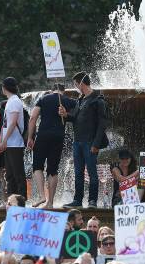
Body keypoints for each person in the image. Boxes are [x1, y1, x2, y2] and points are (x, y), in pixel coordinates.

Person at [60, 71, 108, 209]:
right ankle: (77, 199)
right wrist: (65, 114)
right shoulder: (80, 100)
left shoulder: (98, 100)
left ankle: (92, 200)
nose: (75, 87)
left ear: (81, 83)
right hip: (78, 142)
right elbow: (74, 117)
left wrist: (96, 144)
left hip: (90, 143)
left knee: (92, 172)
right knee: (78, 172)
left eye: (76, 84)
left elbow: (102, 124)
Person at [27, 83, 76, 208]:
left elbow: (33, 118)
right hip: (58, 137)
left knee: (37, 166)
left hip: (43, 135)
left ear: (51, 90)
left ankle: (42, 196)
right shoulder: (68, 101)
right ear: (63, 91)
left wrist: (30, 137)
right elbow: (77, 116)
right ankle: (50, 202)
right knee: (53, 170)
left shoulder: (43, 98)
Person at [0, 77, 27, 199]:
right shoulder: (10, 101)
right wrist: (1, 139)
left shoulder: (15, 101)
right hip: (9, 143)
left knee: (18, 174)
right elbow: (5, 124)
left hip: (15, 143)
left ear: (5, 87)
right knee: (9, 175)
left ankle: (22, 200)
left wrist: (3, 140)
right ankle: (11, 200)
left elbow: (13, 123)